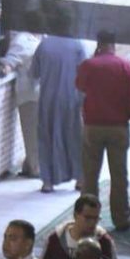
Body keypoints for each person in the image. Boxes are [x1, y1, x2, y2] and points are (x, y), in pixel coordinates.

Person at [76, 30, 130, 230]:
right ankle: (121, 219)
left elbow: (79, 85)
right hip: (118, 128)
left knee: (90, 175)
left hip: (92, 127)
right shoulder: (125, 66)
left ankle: (87, 219)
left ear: (98, 44)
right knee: (119, 175)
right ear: (114, 45)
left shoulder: (89, 65)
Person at [30, 35, 85, 192]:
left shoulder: (44, 45)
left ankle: (48, 181)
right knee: (74, 137)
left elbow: (34, 73)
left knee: (46, 137)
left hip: (48, 99)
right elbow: (84, 72)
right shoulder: (77, 45)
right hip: (71, 99)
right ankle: (80, 178)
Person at [0, 25, 43, 177]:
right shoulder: (22, 40)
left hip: (42, 92)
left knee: (39, 132)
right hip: (29, 94)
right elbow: (11, 60)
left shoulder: (42, 39)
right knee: (31, 132)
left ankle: (29, 166)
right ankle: (35, 169)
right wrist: (5, 69)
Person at [41, 193, 119, 259]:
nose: (92, 222)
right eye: (88, 218)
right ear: (75, 215)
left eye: (96, 218)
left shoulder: (104, 242)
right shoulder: (55, 240)